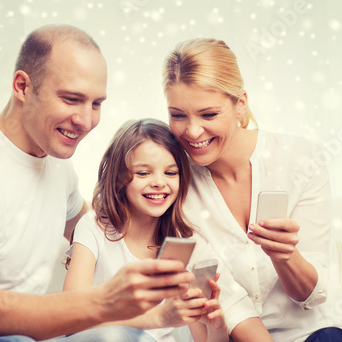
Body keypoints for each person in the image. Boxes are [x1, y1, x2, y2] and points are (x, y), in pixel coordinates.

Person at [0, 25, 194, 342]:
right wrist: (105, 302)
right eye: (72, 99)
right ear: (22, 86)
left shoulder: (58, 167)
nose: (86, 121)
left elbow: (97, 227)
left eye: (96, 104)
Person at [161, 38, 342, 342]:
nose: (192, 131)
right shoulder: (175, 185)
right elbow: (222, 298)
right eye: (178, 115)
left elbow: (312, 295)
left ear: (240, 103)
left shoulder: (299, 159)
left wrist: (285, 257)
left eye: (208, 114)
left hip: (311, 334)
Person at [63, 118, 273, 342]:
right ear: (119, 178)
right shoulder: (94, 227)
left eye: (171, 173)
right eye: (144, 173)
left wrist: (216, 327)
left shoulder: (186, 244)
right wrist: (155, 318)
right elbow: (71, 320)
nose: (159, 182)